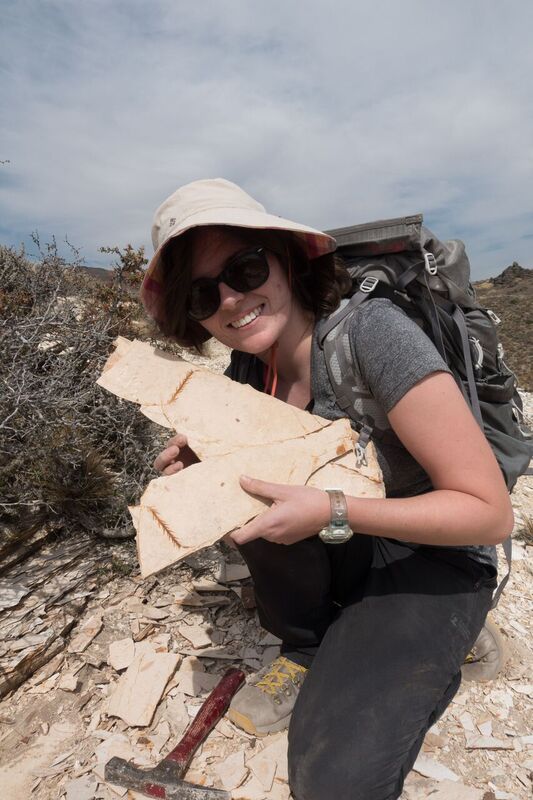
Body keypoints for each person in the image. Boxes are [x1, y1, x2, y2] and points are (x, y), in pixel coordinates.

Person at [143, 178, 513, 800]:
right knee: (242, 496)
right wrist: (208, 462)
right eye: (204, 294)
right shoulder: (246, 367)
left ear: (285, 260)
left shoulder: (373, 336)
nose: (232, 300)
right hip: (350, 533)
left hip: (434, 552)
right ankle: (311, 646)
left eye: (245, 267)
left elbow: (489, 513)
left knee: (334, 782)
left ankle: (451, 629)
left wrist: (334, 508)